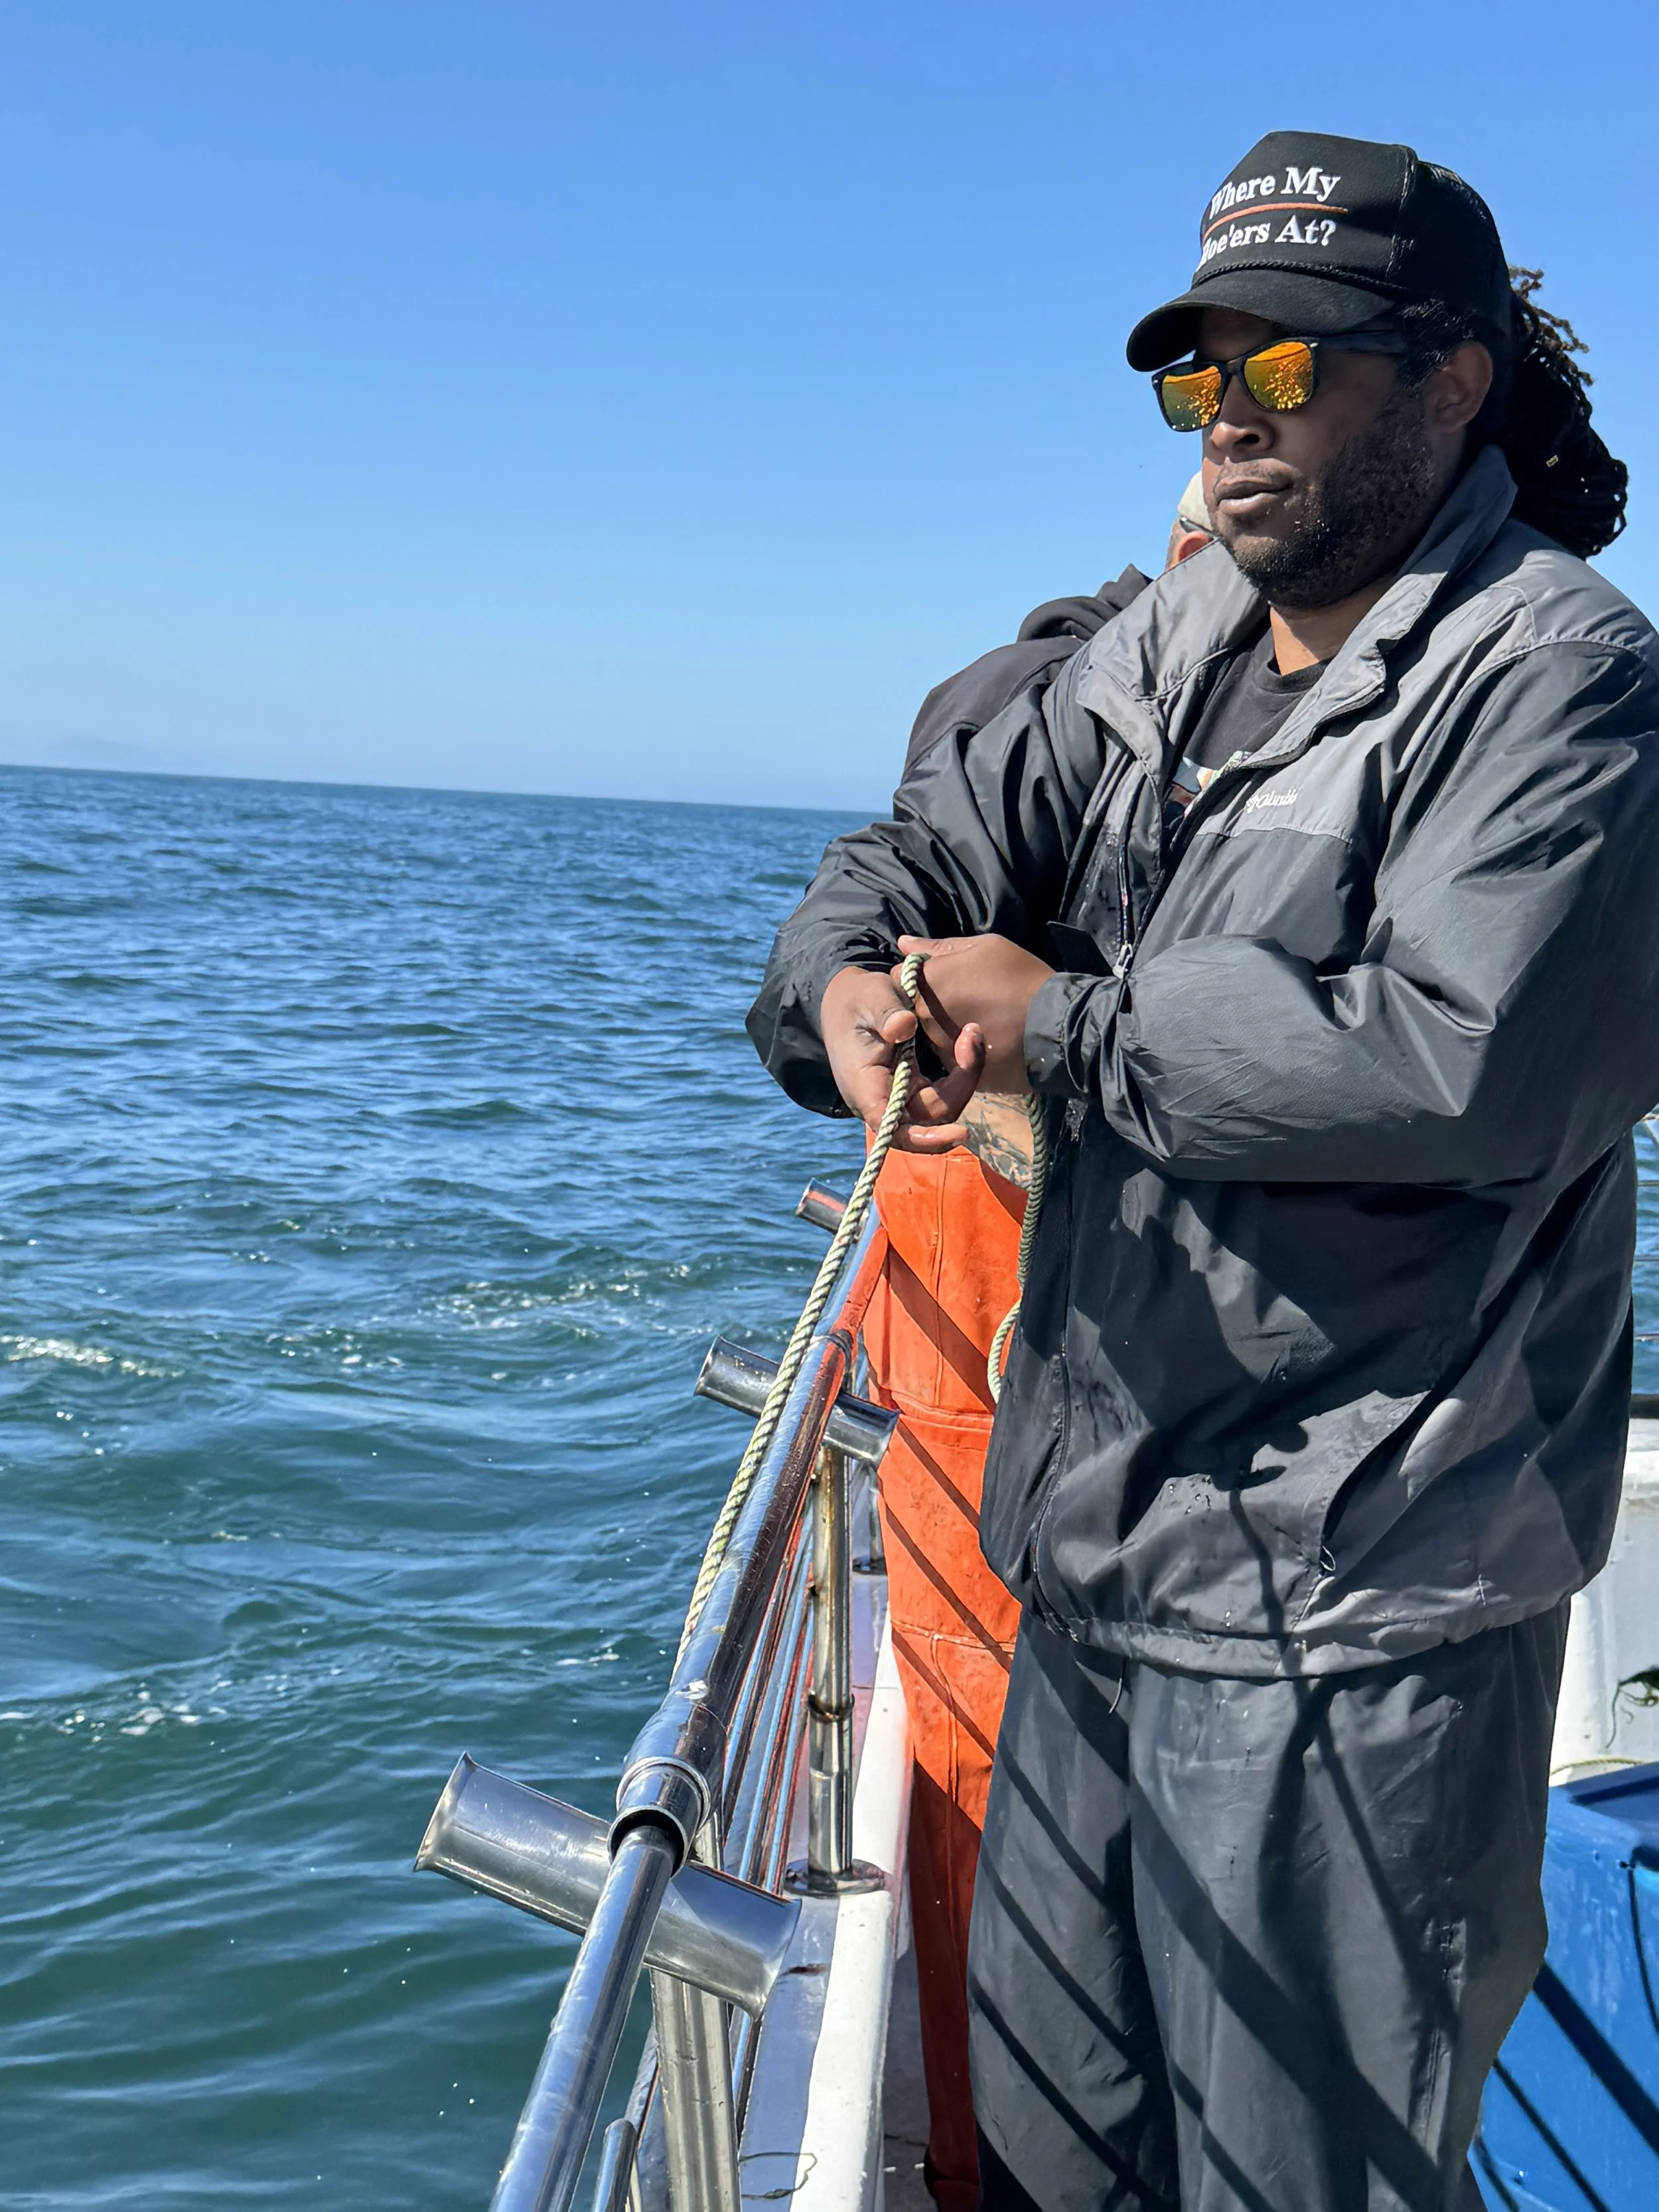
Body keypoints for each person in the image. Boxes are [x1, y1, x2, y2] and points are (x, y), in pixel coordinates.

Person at [747, 130, 1655, 2212]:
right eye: (1198, 380)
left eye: (1285, 371)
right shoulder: (1165, 648)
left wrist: (1047, 1023)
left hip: (1361, 1618)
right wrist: (845, 989)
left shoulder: (1564, 676)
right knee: (1058, 2158)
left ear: (1451, 380)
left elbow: (1466, 1056)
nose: (1230, 428)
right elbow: (928, 849)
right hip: (1096, 1555)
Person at [857, 484, 1212, 2212]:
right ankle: (979, 2165)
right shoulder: (1062, 706)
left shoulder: (1012, 684)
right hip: (988, 1261)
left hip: (996, 1257)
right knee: (986, 1744)